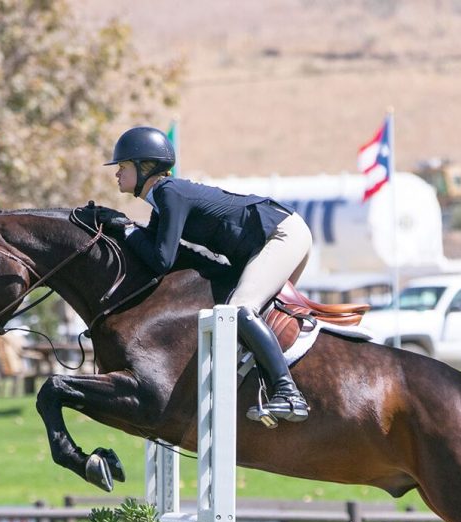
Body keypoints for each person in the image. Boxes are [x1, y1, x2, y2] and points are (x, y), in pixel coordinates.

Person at [106, 126, 313, 425]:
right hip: (272, 237)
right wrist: (121, 228)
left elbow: (163, 259)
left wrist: (125, 228)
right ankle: (264, 389)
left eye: (122, 167)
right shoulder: (162, 203)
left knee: (239, 310)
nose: (117, 174)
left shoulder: (169, 192)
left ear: (144, 167)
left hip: (280, 234)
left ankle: (289, 393)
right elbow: (150, 254)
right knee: (246, 316)